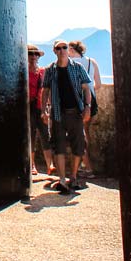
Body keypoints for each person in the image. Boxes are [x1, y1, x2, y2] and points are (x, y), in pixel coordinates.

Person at [41, 39, 92, 193]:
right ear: (55, 51)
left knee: (78, 145)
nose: (62, 50)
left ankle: (74, 176)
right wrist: (44, 109)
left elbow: (86, 88)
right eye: (59, 48)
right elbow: (45, 90)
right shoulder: (51, 70)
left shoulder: (77, 67)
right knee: (59, 146)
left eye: (64, 47)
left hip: (76, 113)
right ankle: (62, 180)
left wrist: (87, 107)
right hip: (58, 114)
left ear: (67, 50)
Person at [68, 40, 102, 177]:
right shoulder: (91, 62)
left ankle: (87, 167)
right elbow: (98, 84)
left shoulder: (70, 63)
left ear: (71, 49)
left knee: (79, 134)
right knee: (85, 132)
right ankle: (84, 165)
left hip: (77, 101)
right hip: (91, 101)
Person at [27, 44, 54, 176]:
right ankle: (32, 165)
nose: (33, 57)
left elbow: (47, 91)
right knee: (31, 136)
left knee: (45, 135)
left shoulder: (43, 72)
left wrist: (47, 108)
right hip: (29, 108)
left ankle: (50, 165)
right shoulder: (24, 72)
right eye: (30, 54)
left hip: (40, 107)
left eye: (35, 54)